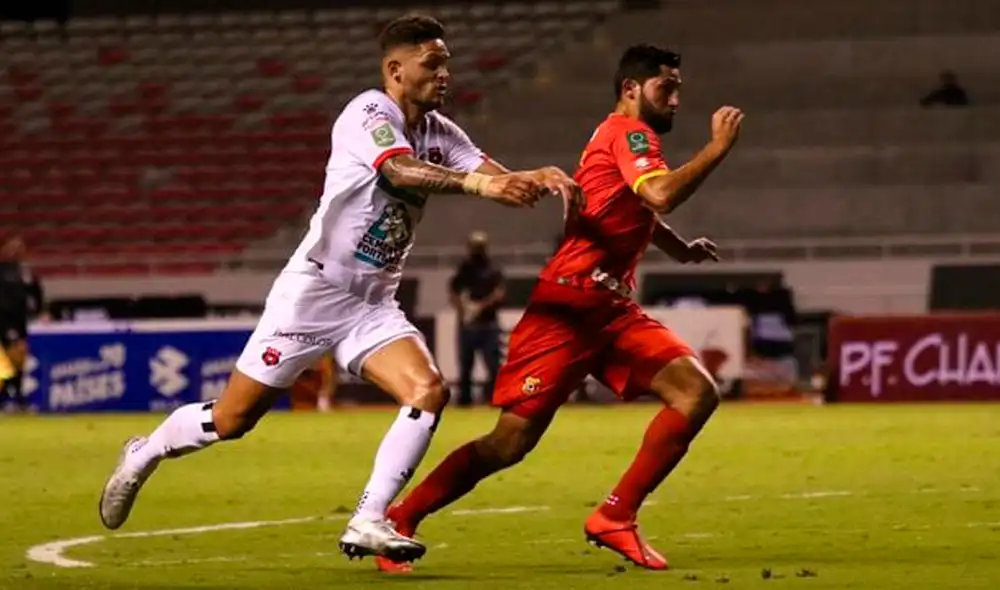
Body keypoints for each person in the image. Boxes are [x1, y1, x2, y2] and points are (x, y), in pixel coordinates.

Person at [97, 14, 581, 565]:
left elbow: (490, 171)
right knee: (232, 420)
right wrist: (481, 184)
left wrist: (535, 176)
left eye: (446, 63)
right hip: (314, 293)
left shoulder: (440, 131)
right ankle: (146, 451)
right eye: (432, 63)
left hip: (373, 303)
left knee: (428, 391)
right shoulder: (367, 112)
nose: (444, 74)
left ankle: (369, 519)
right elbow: (398, 172)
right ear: (396, 70)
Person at [375, 44, 745, 573]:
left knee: (695, 393)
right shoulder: (629, 134)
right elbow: (659, 194)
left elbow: (628, 206)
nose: (676, 99)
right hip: (568, 306)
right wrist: (717, 148)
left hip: (609, 306)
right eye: (667, 87)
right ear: (631, 89)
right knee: (509, 443)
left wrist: (678, 248)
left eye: (679, 88)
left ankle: (616, 517)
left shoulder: (611, 135)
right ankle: (400, 519)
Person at [449, 230, 505, 406]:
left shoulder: (493, 268)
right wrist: (465, 311)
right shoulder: (464, 268)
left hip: (488, 323)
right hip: (468, 325)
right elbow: (454, 292)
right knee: (465, 366)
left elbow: (500, 293)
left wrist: (481, 307)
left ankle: (495, 398)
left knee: (493, 364)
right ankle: (464, 401)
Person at [0, 236, 44, 413]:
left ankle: (15, 396)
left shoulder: (24, 272)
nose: (16, 252)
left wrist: (39, 311)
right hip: (4, 321)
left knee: (19, 360)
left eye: (20, 248)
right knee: (8, 360)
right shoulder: (1, 271)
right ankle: (10, 396)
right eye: (12, 248)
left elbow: (35, 292)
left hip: (20, 321)